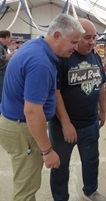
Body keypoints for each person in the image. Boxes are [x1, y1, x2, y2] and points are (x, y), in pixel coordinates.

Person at [0, 13, 85, 201]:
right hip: (21, 128)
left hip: (15, 123)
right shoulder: (40, 62)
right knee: (26, 188)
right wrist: (47, 151)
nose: (75, 47)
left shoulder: (37, 47)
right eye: (73, 42)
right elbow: (31, 112)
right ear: (56, 36)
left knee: (25, 181)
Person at [48, 18, 106, 201]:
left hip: (90, 123)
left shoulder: (95, 55)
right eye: (86, 37)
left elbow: (101, 84)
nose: (91, 42)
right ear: (75, 37)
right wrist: (66, 123)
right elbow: (55, 93)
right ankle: (60, 198)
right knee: (60, 166)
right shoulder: (64, 56)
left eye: (94, 37)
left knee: (91, 161)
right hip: (63, 127)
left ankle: (90, 191)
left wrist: (103, 111)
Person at [0, 30, 14, 105]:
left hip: (2, 73)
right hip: (1, 74)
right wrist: (12, 53)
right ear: (7, 37)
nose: (10, 41)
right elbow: (1, 59)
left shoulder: (3, 46)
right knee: (1, 96)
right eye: (10, 38)